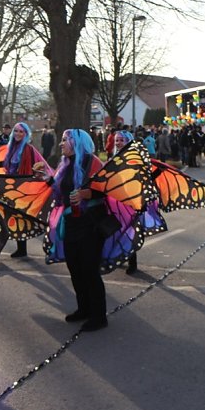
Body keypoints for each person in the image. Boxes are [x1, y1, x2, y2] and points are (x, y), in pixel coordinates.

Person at [36, 129, 109, 331]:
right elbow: (61, 193)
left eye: (65, 140)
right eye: (61, 140)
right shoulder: (66, 164)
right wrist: (48, 179)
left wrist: (85, 194)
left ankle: (98, 316)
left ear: (77, 142)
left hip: (91, 223)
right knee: (75, 268)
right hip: (72, 222)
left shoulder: (92, 161)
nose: (61, 144)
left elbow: (106, 188)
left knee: (89, 269)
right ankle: (83, 309)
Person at [3, 122, 42, 258]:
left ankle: (22, 249)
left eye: (21, 132)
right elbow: (5, 164)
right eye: (16, 131)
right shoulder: (12, 147)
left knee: (19, 217)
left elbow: (32, 168)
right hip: (11, 186)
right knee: (13, 216)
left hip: (22, 188)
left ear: (26, 134)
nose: (18, 134)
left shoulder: (28, 149)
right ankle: (21, 248)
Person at [112, 131, 138, 275]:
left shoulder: (134, 159)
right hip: (116, 201)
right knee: (117, 231)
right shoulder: (114, 159)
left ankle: (132, 262)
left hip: (130, 201)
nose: (118, 143)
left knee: (130, 232)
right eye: (116, 140)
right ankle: (119, 257)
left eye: (121, 140)